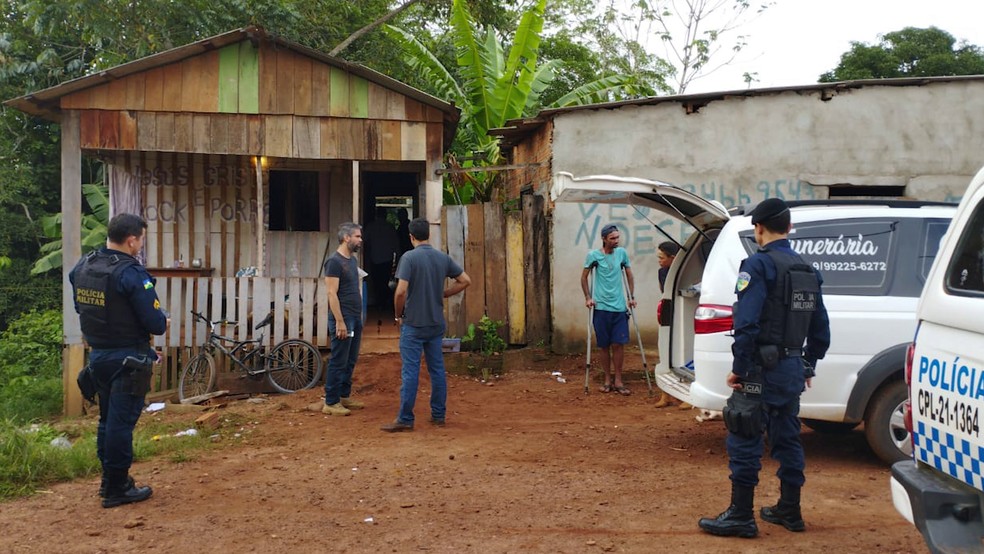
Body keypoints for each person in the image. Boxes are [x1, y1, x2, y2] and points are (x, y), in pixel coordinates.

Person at [698, 198, 830, 538]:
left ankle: (741, 515)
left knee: (744, 434)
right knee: (788, 439)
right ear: (788, 228)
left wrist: (739, 369)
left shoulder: (758, 266)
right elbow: (820, 330)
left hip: (759, 369)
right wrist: (808, 365)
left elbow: (746, 325)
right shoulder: (807, 271)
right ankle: (790, 509)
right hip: (791, 370)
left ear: (759, 228)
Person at [69, 213, 168, 508]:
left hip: (98, 356)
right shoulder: (130, 273)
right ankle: (117, 488)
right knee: (120, 425)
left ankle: (109, 481)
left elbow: (80, 306)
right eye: (141, 240)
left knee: (107, 421)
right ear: (132, 239)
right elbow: (156, 323)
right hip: (129, 359)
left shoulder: (84, 266)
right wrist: (163, 320)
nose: (140, 245)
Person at [381, 218, 471, 432]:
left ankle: (405, 418)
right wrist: (444, 294)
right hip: (435, 323)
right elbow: (466, 280)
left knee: (410, 371)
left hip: (413, 324)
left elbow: (401, 291)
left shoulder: (409, 258)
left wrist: (397, 315)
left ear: (411, 236)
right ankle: (438, 415)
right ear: (428, 234)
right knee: (437, 370)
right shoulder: (442, 258)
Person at [581, 223, 635, 396]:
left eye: (617, 237)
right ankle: (606, 379)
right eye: (612, 238)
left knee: (618, 344)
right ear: (604, 239)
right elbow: (583, 278)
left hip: (619, 308)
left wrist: (631, 297)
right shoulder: (593, 256)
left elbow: (629, 274)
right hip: (601, 307)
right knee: (604, 345)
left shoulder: (622, 253)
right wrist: (588, 298)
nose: (616, 241)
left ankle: (618, 379)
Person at [322, 222, 366, 416]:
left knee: (350, 358)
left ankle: (344, 395)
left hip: (355, 318)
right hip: (344, 319)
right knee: (339, 359)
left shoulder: (352, 261)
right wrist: (339, 321)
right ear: (346, 238)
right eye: (357, 236)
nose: (360, 240)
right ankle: (331, 402)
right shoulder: (334, 262)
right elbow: (332, 293)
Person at [654, 240, 685, 409]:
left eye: (662, 257)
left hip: (682, 317)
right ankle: (666, 395)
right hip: (668, 315)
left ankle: (686, 396)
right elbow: (664, 293)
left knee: (682, 354)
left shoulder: (686, 271)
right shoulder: (661, 272)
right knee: (665, 354)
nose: (659, 261)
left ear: (673, 258)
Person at [364, 206, 400, 312]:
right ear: (385, 215)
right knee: (384, 282)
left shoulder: (371, 226)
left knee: (376, 282)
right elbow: (396, 246)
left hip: (374, 259)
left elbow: (363, 241)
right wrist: (398, 259)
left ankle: (380, 303)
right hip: (387, 260)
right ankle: (384, 303)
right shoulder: (390, 228)